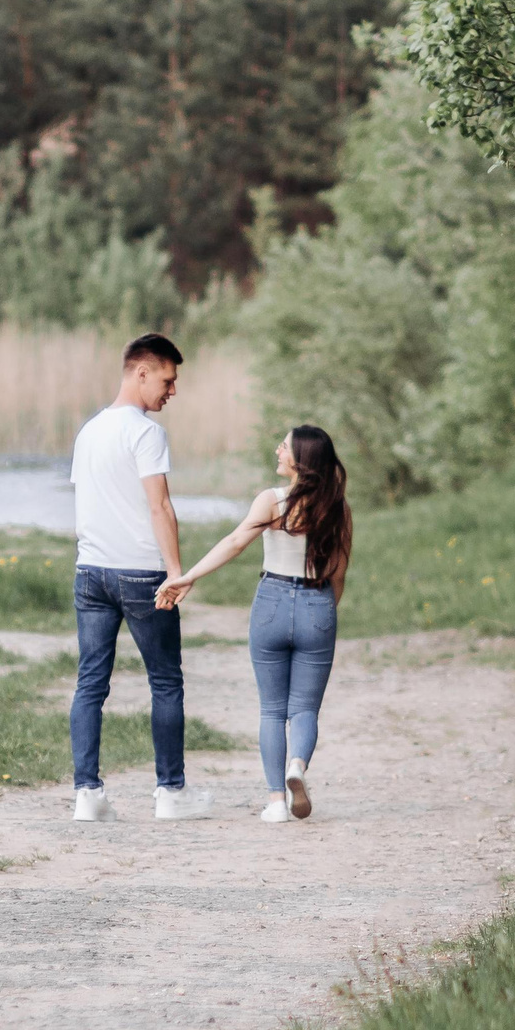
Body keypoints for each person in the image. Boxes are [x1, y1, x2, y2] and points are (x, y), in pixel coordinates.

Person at [158, 425, 352, 822]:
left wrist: (188, 576)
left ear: (301, 460)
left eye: (285, 446)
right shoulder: (338, 508)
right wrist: (323, 614)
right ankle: (297, 765)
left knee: (271, 710)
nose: (278, 450)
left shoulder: (272, 501)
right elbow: (339, 572)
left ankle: (276, 803)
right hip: (318, 604)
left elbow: (233, 543)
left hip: (271, 604)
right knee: (305, 710)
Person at [68, 333, 205, 822]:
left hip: (91, 572)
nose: (172, 391)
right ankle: (171, 793)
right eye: (167, 380)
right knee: (165, 681)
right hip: (143, 574)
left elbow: (87, 503)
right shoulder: (146, 433)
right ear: (140, 372)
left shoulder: (89, 431)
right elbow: (159, 505)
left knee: (90, 684)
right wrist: (175, 573)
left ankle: (88, 795)